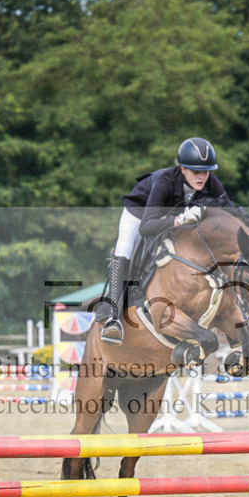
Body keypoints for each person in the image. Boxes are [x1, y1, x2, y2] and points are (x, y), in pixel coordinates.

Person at [96, 137, 231, 344]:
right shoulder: (165, 180)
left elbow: (230, 209)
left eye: (206, 171)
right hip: (140, 214)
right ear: (183, 168)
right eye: (196, 171)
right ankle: (113, 317)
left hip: (172, 218)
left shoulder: (210, 181)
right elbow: (147, 226)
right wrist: (178, 220)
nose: (202, 176)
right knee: (125, 247)